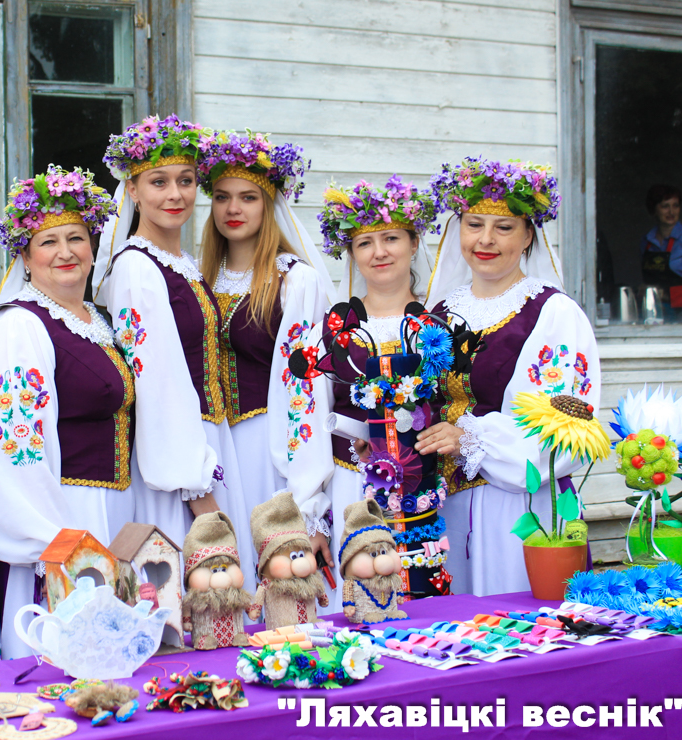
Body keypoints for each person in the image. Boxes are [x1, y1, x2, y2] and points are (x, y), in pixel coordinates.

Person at [417, 157, 601, 596]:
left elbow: (563, 426)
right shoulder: (441, 312)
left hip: (518, 504)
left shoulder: (552, 313)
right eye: (474, 224)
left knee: (513, 618)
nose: (485, 240)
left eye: (503, 227)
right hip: (444, 505)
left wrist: (471, 438)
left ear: (528, 236)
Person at [0, 165, 130, 658]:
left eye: (76, 238)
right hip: (65, 511)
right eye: (48, 242)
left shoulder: (98, 323)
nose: (66, 252)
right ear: (24, 256)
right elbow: (15, 445)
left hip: (115, 507)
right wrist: (53, 543)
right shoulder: (20, 326)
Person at [92, 114, 252, 574]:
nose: (175, 194)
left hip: (208, 439)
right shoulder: (136, 267)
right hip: (176, 460)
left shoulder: (180, 262)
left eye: (185, 180)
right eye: (158, 182)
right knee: (200, 579)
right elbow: (156, 382)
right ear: (133, 190)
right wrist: (196, 489)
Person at [195, 130, 336, 561]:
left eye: (248, 197)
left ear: (269, 205)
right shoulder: (197, 279)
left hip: (269, 445)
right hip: (209, 452)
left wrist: (306, 499)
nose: (233, 209)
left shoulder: (295, 280)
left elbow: (306, 391)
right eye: (222, 197)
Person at [313, 177, 440, 613]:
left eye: (391, 238)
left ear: (413, 243)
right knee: (364, 604)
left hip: (427, 488)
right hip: (355, 484)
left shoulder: (439, 323)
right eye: (365, 243)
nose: (379, 252)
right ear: (351, 253)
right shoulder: (333, 328)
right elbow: (312, 415)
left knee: (429, 600)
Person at [644, 184, 682, 311]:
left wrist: (667, 295)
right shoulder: (646, 241)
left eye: (676, 206)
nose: (671, 212)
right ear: (653, 209)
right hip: (656, 311)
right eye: (665, 206)